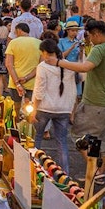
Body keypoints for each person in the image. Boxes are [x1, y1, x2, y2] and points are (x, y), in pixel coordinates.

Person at [45, 20, 105, 182]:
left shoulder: (100, 49)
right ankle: (100, 172)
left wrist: (58, 62)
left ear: (97, 33)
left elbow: (85, 67)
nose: (89, 40)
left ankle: (93, 166)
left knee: (80, 136)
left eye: (90, 36)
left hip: (96, 102)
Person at [31, 39, 77, 172]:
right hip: (63, 109)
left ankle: (34, 168)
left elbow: (40, 91)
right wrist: (71, 110)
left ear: (45, 52)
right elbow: (73, 90)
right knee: (62, 142)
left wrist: (34, 110)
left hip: (44, 108)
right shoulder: (68, 65)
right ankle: (65, 174)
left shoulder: (43, 66)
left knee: (37, 138)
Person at [5, 23, 41, 117]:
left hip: (14, 80)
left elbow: (9, 64)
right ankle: (29, 128)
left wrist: (17, 83)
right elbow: (40, 66)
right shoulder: (39, 43)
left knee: (14, 108)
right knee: (31, 109)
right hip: (32, 82)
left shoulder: (13, 43)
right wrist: (27, 77)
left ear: (19, 30)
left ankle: (15, 127)